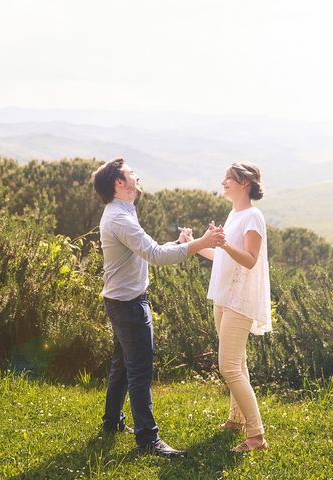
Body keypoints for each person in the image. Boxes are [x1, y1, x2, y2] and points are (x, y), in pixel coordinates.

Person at [92, 158, 225, 458]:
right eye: (130, 174)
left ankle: (111, 422)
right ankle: (148, 440)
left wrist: (178, 243)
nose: (136, 176)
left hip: (119, 301)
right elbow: (155, 256)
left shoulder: (121, 212)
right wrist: (201, 242)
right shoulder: (120, 218)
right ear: (119, 184)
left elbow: (146, 251)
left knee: (123, 366)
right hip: (128, 305)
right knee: (138, 371)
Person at [181, 162, 271, 452]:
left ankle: (256, 436)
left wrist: (223, 244)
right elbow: (222, 256)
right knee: (238, 363)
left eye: (228, 179)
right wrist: (192, 244)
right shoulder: (234, 214)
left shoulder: (253, 217)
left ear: (244, 183)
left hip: (240, 301)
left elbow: (249, 259)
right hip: (223, 298)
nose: (223, 183)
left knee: (229, 366)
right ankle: (236, 420)